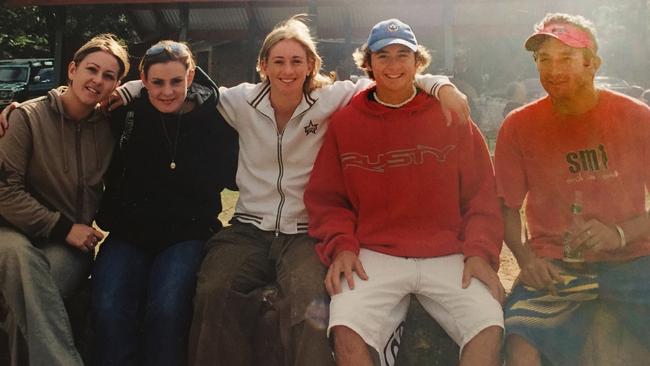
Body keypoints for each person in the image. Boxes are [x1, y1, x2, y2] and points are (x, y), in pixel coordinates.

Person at [113, 15, 470, 366]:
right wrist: (131, 88)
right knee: (214, 292)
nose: (287, 70)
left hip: (306, 231)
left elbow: (389, 80)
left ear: (311, 64)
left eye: (297, 61)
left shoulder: (330, 99)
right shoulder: (240, 102)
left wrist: (441, 85)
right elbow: (189, 87)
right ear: (263, 65)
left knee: (309, 301)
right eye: (278, 61)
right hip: (248, 228)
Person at [304, 18, 505, 366]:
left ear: (418, 63)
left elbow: (481, 195)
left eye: (403, 55)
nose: (393, 65)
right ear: (368, 64)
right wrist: (341, 247)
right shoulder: (346, 122)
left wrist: (479, 251)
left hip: (448, 252)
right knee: (346, 332)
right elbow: (327, 199)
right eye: (383, 56)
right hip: (375, 252)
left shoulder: (450, 112)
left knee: (488, 326)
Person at [494, 13, 650, 366]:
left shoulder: (636, 117)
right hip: (555, 264)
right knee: (519, 341)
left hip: (635, 259)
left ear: (592, 64)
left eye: (566, 57)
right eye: (544, 59)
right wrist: (526, 259)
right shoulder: (518, 126)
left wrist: (619, 233)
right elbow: (505, 205)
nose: (553, 69)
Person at [90, 41, 238, 366]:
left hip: (187, 234)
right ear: (142, 79)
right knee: (108, 305)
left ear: (191, 76)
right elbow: (75, 100)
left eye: (176, 81)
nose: (167, 92)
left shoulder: (215, 118)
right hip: (129, 233)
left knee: (168, 308)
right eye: (157, 82)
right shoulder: (125, 113)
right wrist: (16, 110)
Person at [0, 34, 129, 365]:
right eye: (91, 69)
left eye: (109, 76)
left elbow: (167, 83)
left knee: (32, 302)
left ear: (117, 84)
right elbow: (4, 191)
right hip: (10, 231)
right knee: (20, 259)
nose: (97, 80)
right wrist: (62, 226)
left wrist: (133, 91)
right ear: (72, 70)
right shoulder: (26, 118)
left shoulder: (112, 128)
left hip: (67, 247)